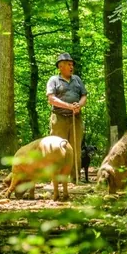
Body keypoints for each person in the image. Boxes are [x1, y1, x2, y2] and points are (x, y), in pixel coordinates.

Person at [46, 53, 87, 183]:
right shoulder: (54, 80)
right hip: (59, 118)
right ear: (60, 66)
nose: (71, 67)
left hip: (76, 118)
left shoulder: (77, 79)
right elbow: (51, 98)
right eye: (69, 64)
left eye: (72, 64)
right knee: (57, 148)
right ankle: (56, 179)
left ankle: (75, 178)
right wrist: (68, 106)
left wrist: (79, 105)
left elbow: (84, 95)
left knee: (75, 148)